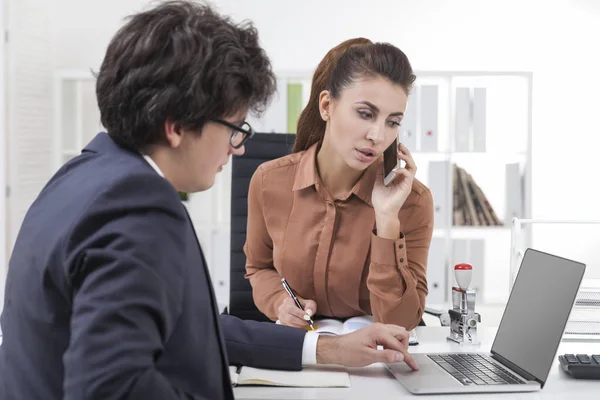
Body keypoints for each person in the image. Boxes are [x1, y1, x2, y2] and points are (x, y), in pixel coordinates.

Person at [0, 3, 418, 400]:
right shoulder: (138, 206)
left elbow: (191, 330)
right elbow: (110, 387)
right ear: (177, 126)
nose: (238, 147)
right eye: (234, 127)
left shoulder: (83, 174)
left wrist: (322, 348)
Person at [244, 38, 434, 331]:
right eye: (366, 114)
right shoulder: (269, 181)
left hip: (376, 365)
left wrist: (386, 219)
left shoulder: (413, 201)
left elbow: (401, 322)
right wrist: (278, 301)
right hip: (298, 349)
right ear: (326, 107)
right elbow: (259, 268)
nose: (377, 135)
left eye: (392, 122)